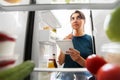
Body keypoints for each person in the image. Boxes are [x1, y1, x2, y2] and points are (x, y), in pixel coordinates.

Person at [58, 10, 94, 80]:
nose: (75, 20)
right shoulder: (67, 39)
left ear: (84, 21)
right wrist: (63, 46)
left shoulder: (90, 40)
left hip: (83, 77)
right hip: (66, 77)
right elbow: (60, 62)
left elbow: (92, 66)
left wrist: (79, 59)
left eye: (78, 18)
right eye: (73, 18)